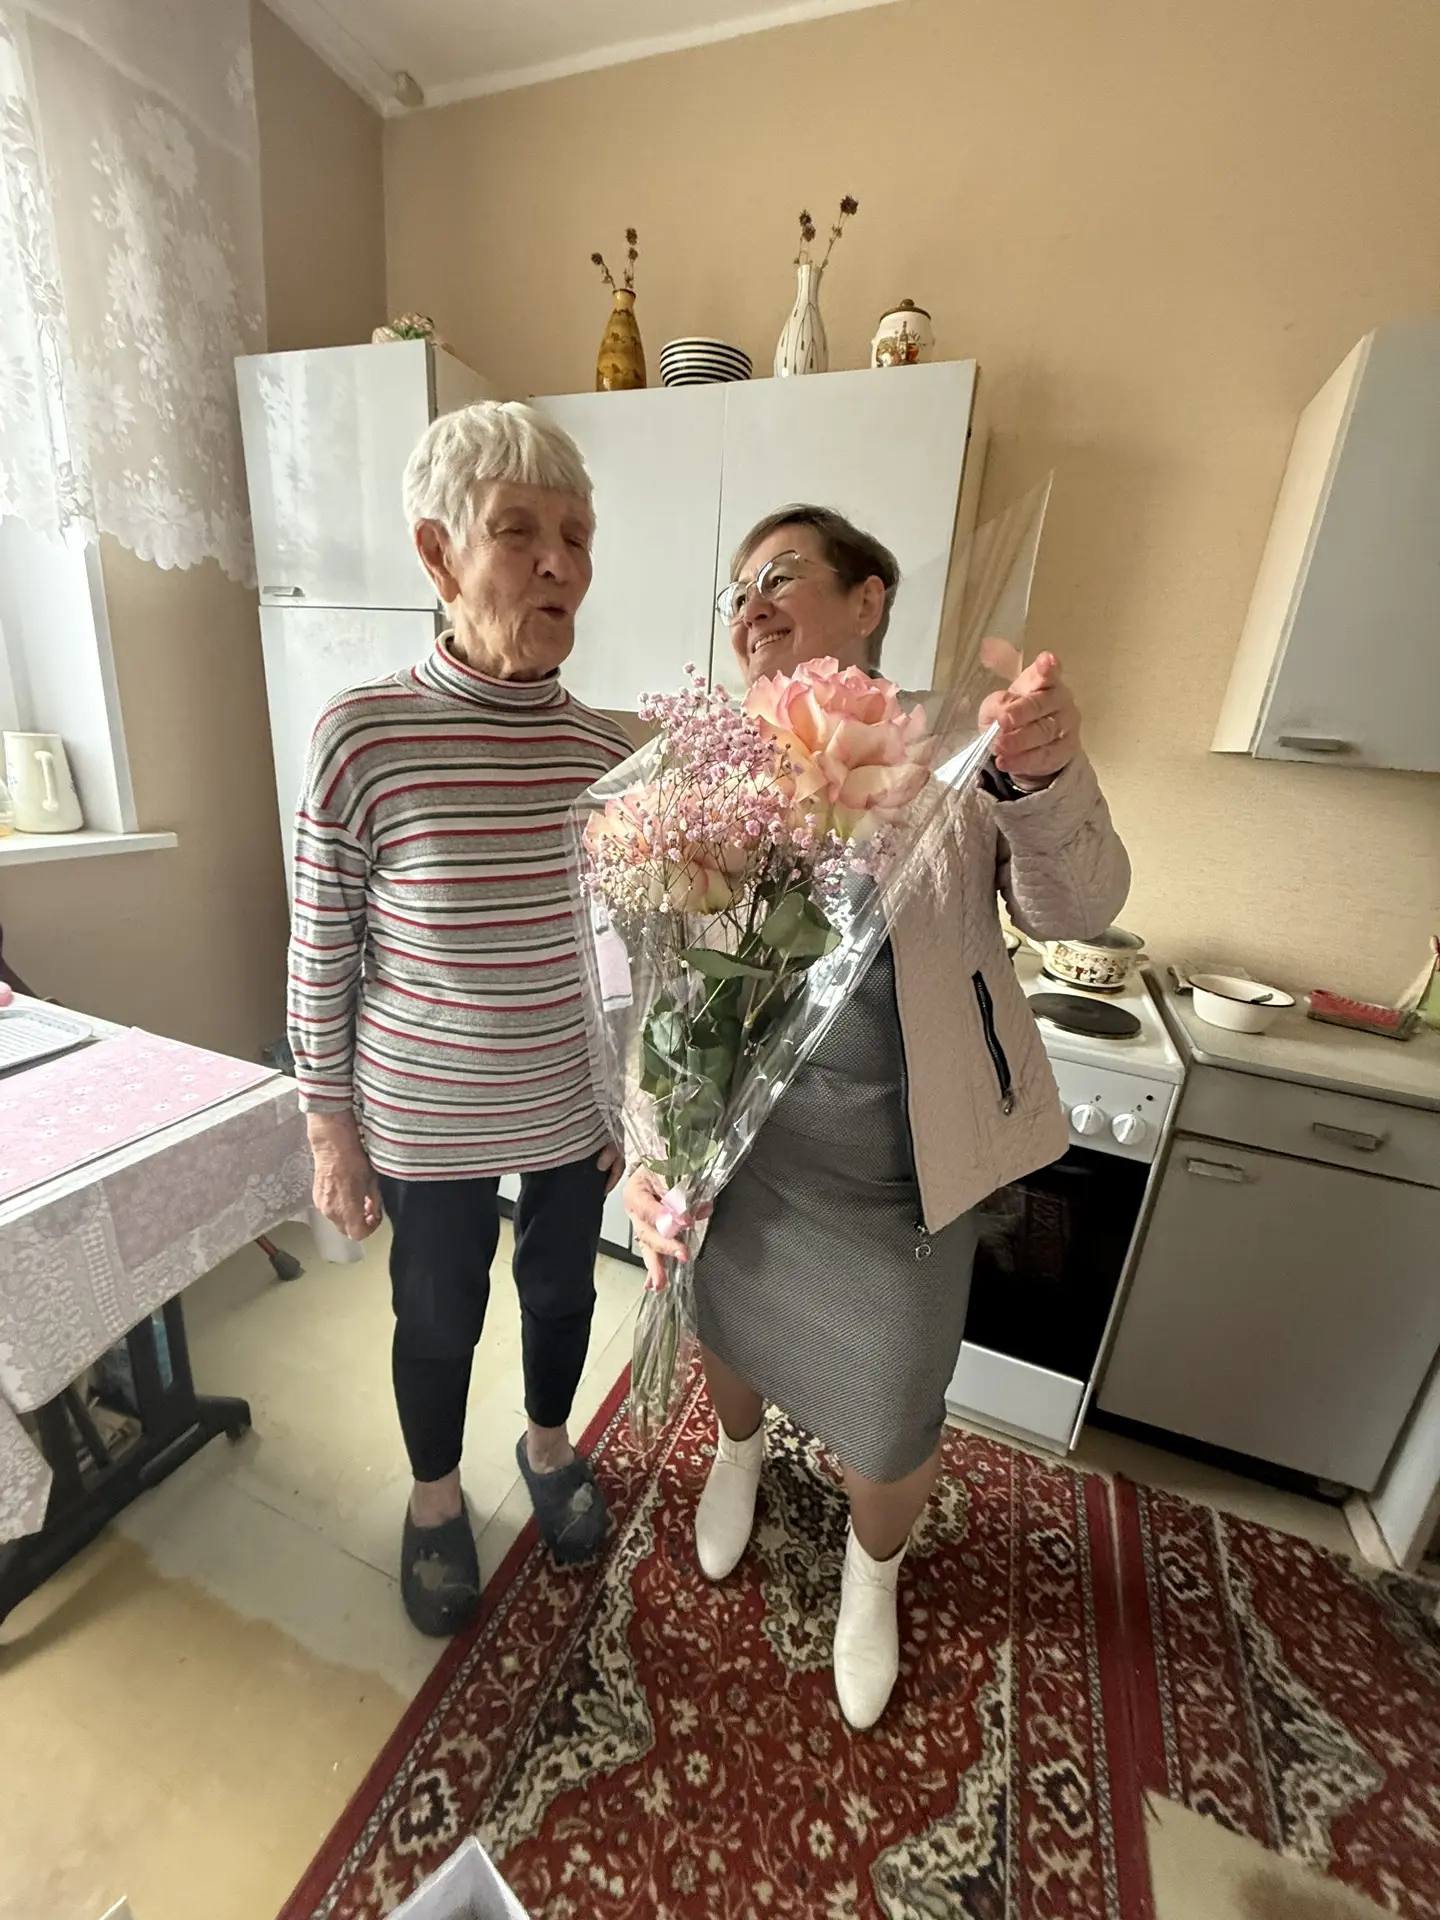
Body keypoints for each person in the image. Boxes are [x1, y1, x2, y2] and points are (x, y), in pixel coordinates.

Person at [624, 504, 1130, 1729]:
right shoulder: (708, 769)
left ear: (869, 600)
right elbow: (659, 987)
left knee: (893, 1415)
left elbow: (1078, 907)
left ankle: (874, 1569)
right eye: (736, 589)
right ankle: (737, 1455)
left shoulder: (959, 755)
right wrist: (650, 1149)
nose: (750, 604)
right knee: (728, 1333)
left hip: (902, 1178)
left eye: (780, 574)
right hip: (746, 1162)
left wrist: (1044, 775)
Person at [288, 403, 629, 1637]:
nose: (558, 563)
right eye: (519, 531)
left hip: (571, 1103)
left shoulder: (608, 752)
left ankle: (548, 1445)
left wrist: (634, 1099)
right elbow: (322, 950)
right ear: (438, 554)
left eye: (576, 537)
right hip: (426, 1115)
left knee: (564, 1293)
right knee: (437, 1313)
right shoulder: (362, 737)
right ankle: (436, 1498)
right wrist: (329, 1129)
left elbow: (632, 951)